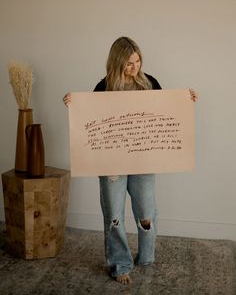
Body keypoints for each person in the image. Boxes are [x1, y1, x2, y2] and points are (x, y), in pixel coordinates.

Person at [63, 36, 198, 285]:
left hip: (143, 160)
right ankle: (119, 263)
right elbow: (87, 119)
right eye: (128, 63)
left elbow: (167, 110)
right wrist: (72, 104)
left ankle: (146, 257)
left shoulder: (149, 82)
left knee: (146, 212)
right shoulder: (104, 87)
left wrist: (185, 99)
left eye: (137, 61)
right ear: (116, 63)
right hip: (111, 163)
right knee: (114, 215)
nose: (134, 67)